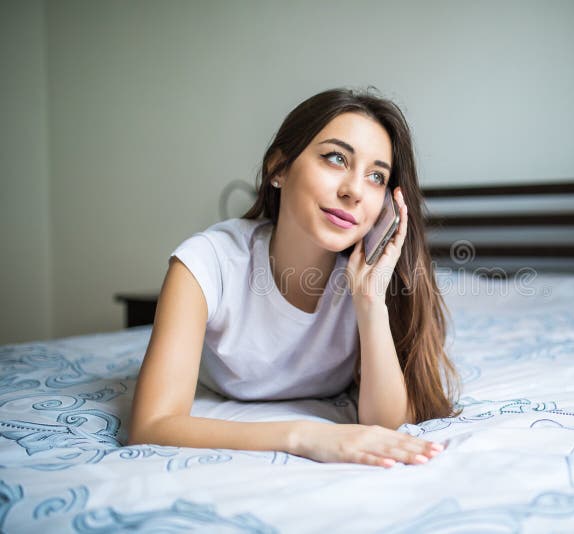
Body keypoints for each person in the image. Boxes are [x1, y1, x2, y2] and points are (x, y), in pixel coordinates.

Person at [128, 87, 463, 469]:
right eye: (336, 158)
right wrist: (304, 435)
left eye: (375, 177)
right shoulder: (207, 262)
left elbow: (385, 426)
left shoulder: (370, 277)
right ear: (278, 169)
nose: (354, 190)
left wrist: (369, 301)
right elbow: (151, 425)